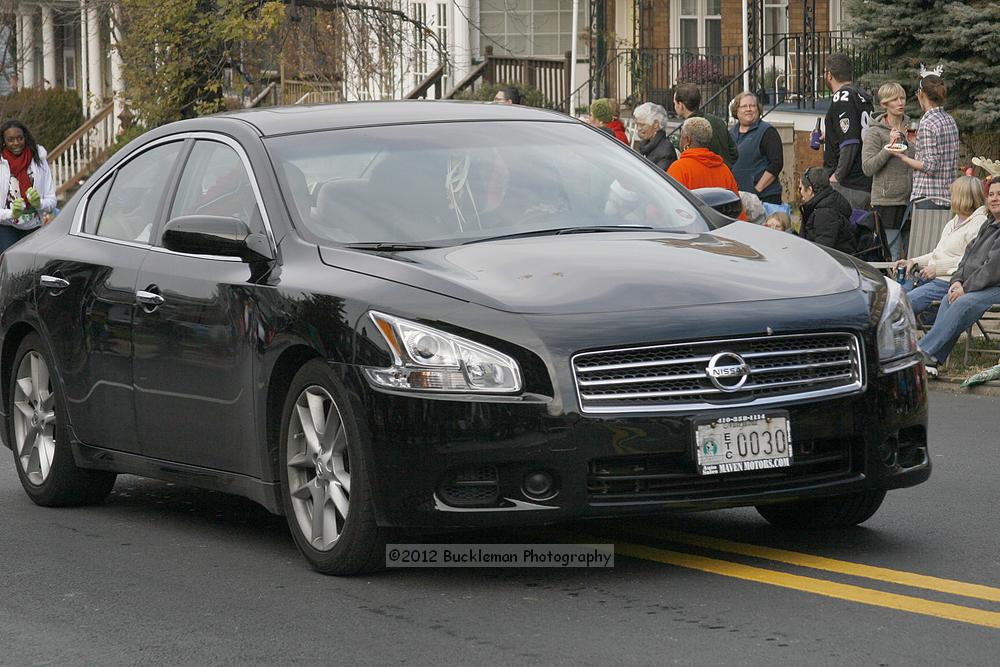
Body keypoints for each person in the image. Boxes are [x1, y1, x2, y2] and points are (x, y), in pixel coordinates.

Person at [917, 177, 1000, 375]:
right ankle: (932, 361)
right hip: (977, 286)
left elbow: (992, 269)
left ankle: (922, 351)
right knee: (950, 298)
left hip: (995, 287)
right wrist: (957, 281)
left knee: (962, 302)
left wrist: (966, 288)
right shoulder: (987, 226)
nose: (995, 198)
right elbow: (966, 258)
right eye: (991, 194)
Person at [895, 176, 988, 318]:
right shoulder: (954, 221)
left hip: (949, 282)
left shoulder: (979, 224)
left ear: (963, 197)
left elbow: (972, 260)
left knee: (902, 304)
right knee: (893, 295)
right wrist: (913, 261)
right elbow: (937, 253)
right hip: (929, 279)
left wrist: (937, 268)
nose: (950, 198)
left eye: (952, 194)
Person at [861, 82, 914, 260]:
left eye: (903, 98)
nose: (900, 103)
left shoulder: (911, 127)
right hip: (887, 202)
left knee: (914, 252)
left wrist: (913, 143)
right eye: (894, 99)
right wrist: (887, 149)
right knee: (892, 255)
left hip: (912, 199)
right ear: (884, 104)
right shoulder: (875, 132)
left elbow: (919, 158)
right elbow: (867, 168)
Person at [892, 73, 959, 209]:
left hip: (928, 197)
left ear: (921, 95)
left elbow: (930, 166)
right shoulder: (949, 119)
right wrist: (918, 142)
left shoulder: (927, 123)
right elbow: (942, 152)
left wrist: (903, 157)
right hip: (947, 196)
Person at [821, 52, 873, 211]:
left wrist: (837, 176)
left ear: (829, 75)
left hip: (849, 184)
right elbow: (857, 131)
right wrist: (828, 137)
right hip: (864, 180)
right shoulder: (862, 95)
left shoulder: (842, 97)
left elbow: (850, 142)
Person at [668, 117, 745, 219]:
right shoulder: (724, 170)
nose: (679, 140)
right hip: (720, 229)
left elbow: (670, 208)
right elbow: (737, 210)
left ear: (687, 140)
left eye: (681, 137)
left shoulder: (679, 168)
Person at [0, 119, 56, 252]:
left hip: (34, 226)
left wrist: (38, 203)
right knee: (10, 269)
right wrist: (11, 213)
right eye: (10, 139)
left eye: (20, 138)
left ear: (25, 137)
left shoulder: (39, 161)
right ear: (4, 141)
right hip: (6, 227)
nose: (16, 143)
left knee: (31, 269)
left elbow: (52, 201)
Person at [729, 91, 784, 204]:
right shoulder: (731, 134)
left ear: (758, 109)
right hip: (739, 197)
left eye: (752, 106)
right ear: (736, 111)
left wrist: (758, 189)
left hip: (765, 198)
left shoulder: (767, 132)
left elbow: (776, 164)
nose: (748, 109)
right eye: (744, 106)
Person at [673, 83, 739, 167]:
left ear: (681, 105)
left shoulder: (688, 129)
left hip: (704, 175)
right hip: (725, 173)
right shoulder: (718, 121)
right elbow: (734, 153)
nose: (674, 106)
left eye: (675, 103)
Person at [798, 166, 856, 254]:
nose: (800, 192)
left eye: (801, 188)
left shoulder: (825, 214)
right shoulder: (824, 205)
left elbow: (822, 252)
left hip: (837, 264)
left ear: (809, 190)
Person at [633, 102, 676, 171]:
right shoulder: (645, 144)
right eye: (637, 124)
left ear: (656, 124)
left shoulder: (666, 152)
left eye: (642, 125)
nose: (638, 128)